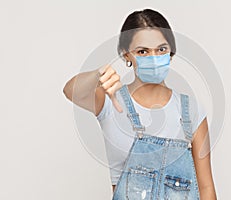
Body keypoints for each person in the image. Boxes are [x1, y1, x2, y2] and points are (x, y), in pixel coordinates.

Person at [63, 8, 217, 200]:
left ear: (171, 51)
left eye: (161, 49)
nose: (153, 58)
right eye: (142, 51)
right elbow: (70, 90)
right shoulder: (111, 103)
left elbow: (206, 188)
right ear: (126, 54)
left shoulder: (191, 110)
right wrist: (98, 75)